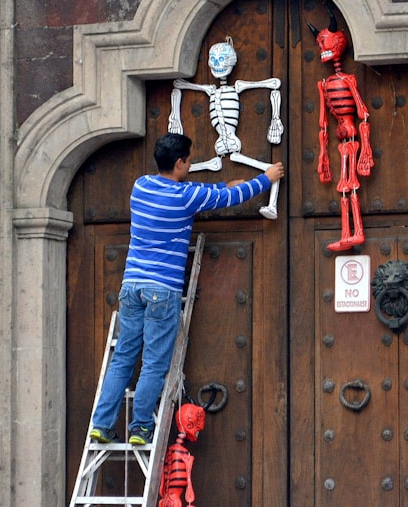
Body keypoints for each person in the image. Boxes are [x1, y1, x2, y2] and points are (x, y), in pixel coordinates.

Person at [90, 132, 284, 445]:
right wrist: (267, 178)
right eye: (189, 160)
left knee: (123, 358)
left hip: (131, 286)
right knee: (154, 362)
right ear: (180, 163)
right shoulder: (185, 196)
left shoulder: (140, 186)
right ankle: (140, 428)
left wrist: (224, 186)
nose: (191, 165)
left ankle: (101, 424)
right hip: (162, 290)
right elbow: (230, 197)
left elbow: (218, 191)